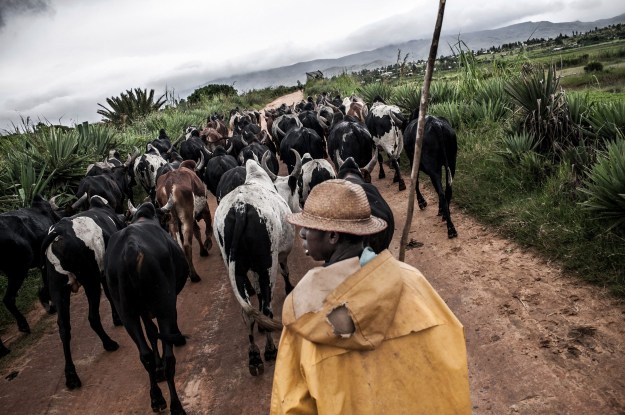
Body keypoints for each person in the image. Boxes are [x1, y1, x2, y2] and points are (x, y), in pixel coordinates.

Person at [270, 179, 472, 414]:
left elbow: (291, 406)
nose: (302, 232)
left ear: (333, 236)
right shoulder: (414, 281)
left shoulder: (303, 313)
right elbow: (451, 358)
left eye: (310, 226)